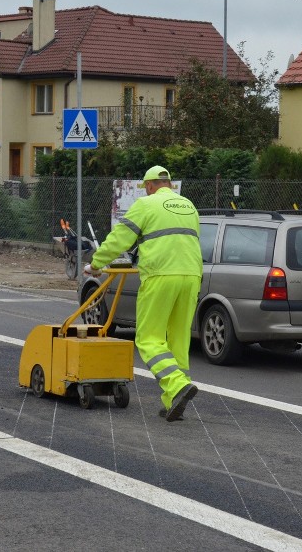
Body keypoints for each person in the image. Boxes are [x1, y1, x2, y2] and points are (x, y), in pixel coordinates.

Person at [84, 166, 202, 422]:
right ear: (169, 184)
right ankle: (174, 399)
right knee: (179, 340)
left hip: (161, 275)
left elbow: (120, 240)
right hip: (192, 275)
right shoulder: (189, 206)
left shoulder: (146, 204)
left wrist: (95, 264)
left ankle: (176, 383)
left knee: (148, 338)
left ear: (149, 185)